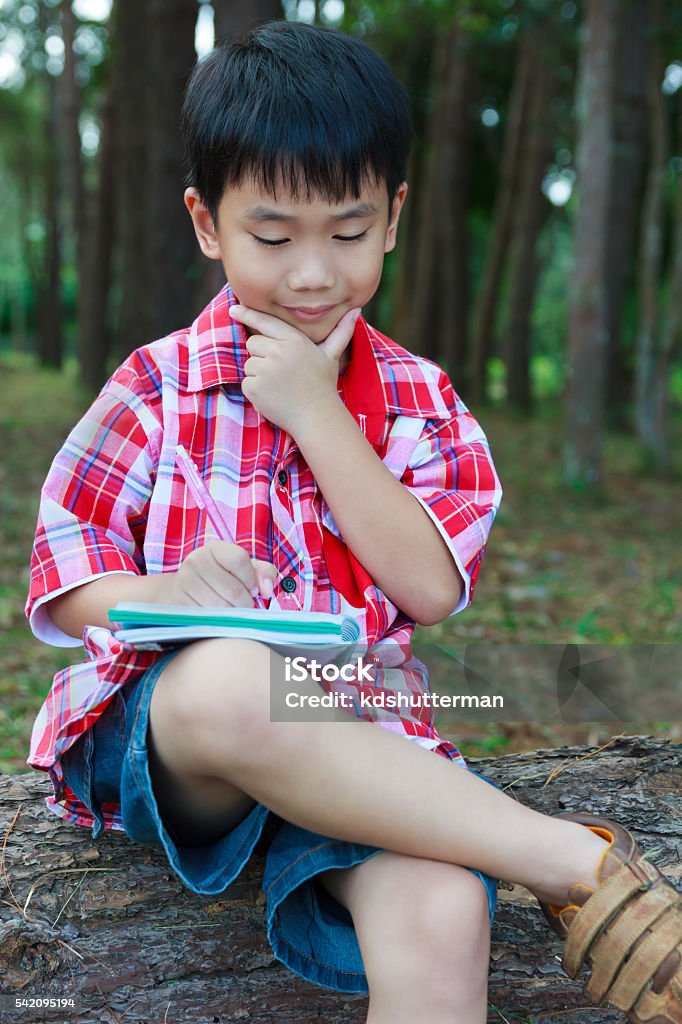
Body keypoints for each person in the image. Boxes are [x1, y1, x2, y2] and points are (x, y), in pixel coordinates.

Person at [26, 20, 681, 1024]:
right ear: (208, 222)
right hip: (184, 745)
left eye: (347, 230)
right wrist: (159, 594)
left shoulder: (421, 402)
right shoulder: (158, 386)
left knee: (442, 911)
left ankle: (504, 862)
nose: (312, 275)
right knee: (239, 679)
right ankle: (565, 856)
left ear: (393, 217)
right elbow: (66, 578)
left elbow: (425, 585)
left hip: (359, 743)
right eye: (273, 236)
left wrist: (319, 414)